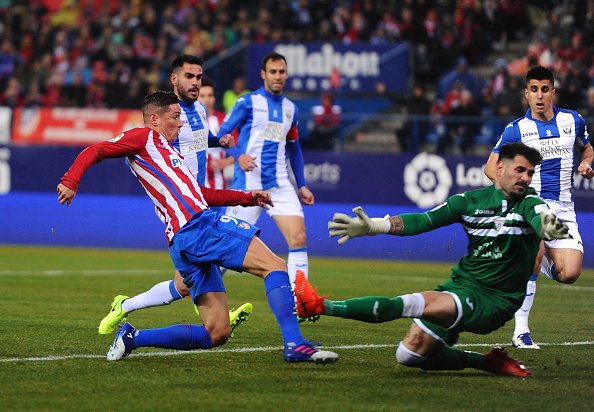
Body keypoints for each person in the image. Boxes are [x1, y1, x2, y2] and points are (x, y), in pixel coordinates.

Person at [57, 90, 339, 364]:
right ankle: (294, 344)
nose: (180, 123)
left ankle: (133, 338)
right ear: (154, 119)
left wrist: (246, 198)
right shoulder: (143, 137)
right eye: (175, 117)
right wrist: (71, 180)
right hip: (198, 226)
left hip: (182, 243)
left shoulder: (169, 153)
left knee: (217, 332)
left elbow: (200, 193)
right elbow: (96, 149)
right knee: (275, 266)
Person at [294, 142, 571, 376]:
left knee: (415, 303)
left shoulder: (530, 203)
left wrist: (550, 228)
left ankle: (319, 305)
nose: (525, 178)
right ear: (500, 168)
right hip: (461, 285)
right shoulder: (468, 201)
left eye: (530, 173)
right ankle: (487, 361)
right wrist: (374, 226)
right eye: (519, 170)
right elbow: (423, 220)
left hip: (495, 301)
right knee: (409, 355)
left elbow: (543, 219)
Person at [96, 55, 252, 338]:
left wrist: (219, 141)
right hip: (182, 207)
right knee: (204, 265)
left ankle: (125, 306)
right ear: (174, 79)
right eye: (189, 76)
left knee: (184, 283)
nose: (196, 83)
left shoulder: (200, 111)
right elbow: (145, 151)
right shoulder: (165, 120)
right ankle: (217, 316)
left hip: (203, 199)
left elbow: (200, 138)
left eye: (199, 77)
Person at [484, 66, 594, 349]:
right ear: (526, 94)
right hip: (534, 205)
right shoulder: (516, 129)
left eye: (545, 89)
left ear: (553, 92)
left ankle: (534, 258)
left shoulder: (573, 120)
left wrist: (586, 163)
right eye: (534, 90)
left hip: (564, 209)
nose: (540, 95)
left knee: (569, 273)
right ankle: (521, 332)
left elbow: (587, 147)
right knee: (536, 245)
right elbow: (490, 168)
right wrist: (515, 190)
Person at [219, 52, 315, 302]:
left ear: (287, 74)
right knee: (225, 249)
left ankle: (299, 302)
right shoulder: (248, 102)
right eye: (273, 71)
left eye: (281, 71)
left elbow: (294, 147)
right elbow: (222, 135)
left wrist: (302, 185)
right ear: (263, 74)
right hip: (248, 185)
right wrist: (238, 155)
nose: (277, 76)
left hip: (279, 185)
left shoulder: (291, 109)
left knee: (298, 238)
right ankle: (198, 287)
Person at [199, 78, 235, 197]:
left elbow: (241, 146)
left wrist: (227, 161)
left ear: (214, 98)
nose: (206, 99)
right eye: (202, 96)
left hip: (218, 184)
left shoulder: (223, 120)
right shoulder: (186, 121)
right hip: (193, 185)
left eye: (210, 95)